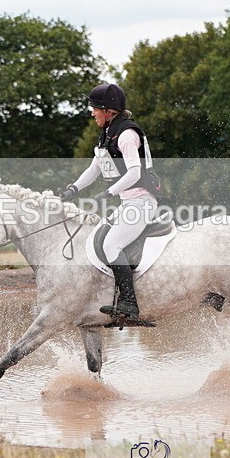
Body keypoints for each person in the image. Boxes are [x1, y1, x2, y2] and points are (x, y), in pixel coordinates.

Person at [58, 83, 159, 321]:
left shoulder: (126, 135)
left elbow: (134, 172)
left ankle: (130, 303)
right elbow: (94, 169)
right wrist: (73, 189)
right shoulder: (107, 134)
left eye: (95, 108)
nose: (92, 113)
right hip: (128, 203)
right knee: (98, 236)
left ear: (108, 111)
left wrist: (108, 193)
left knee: (111, 245)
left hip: (142, 202)